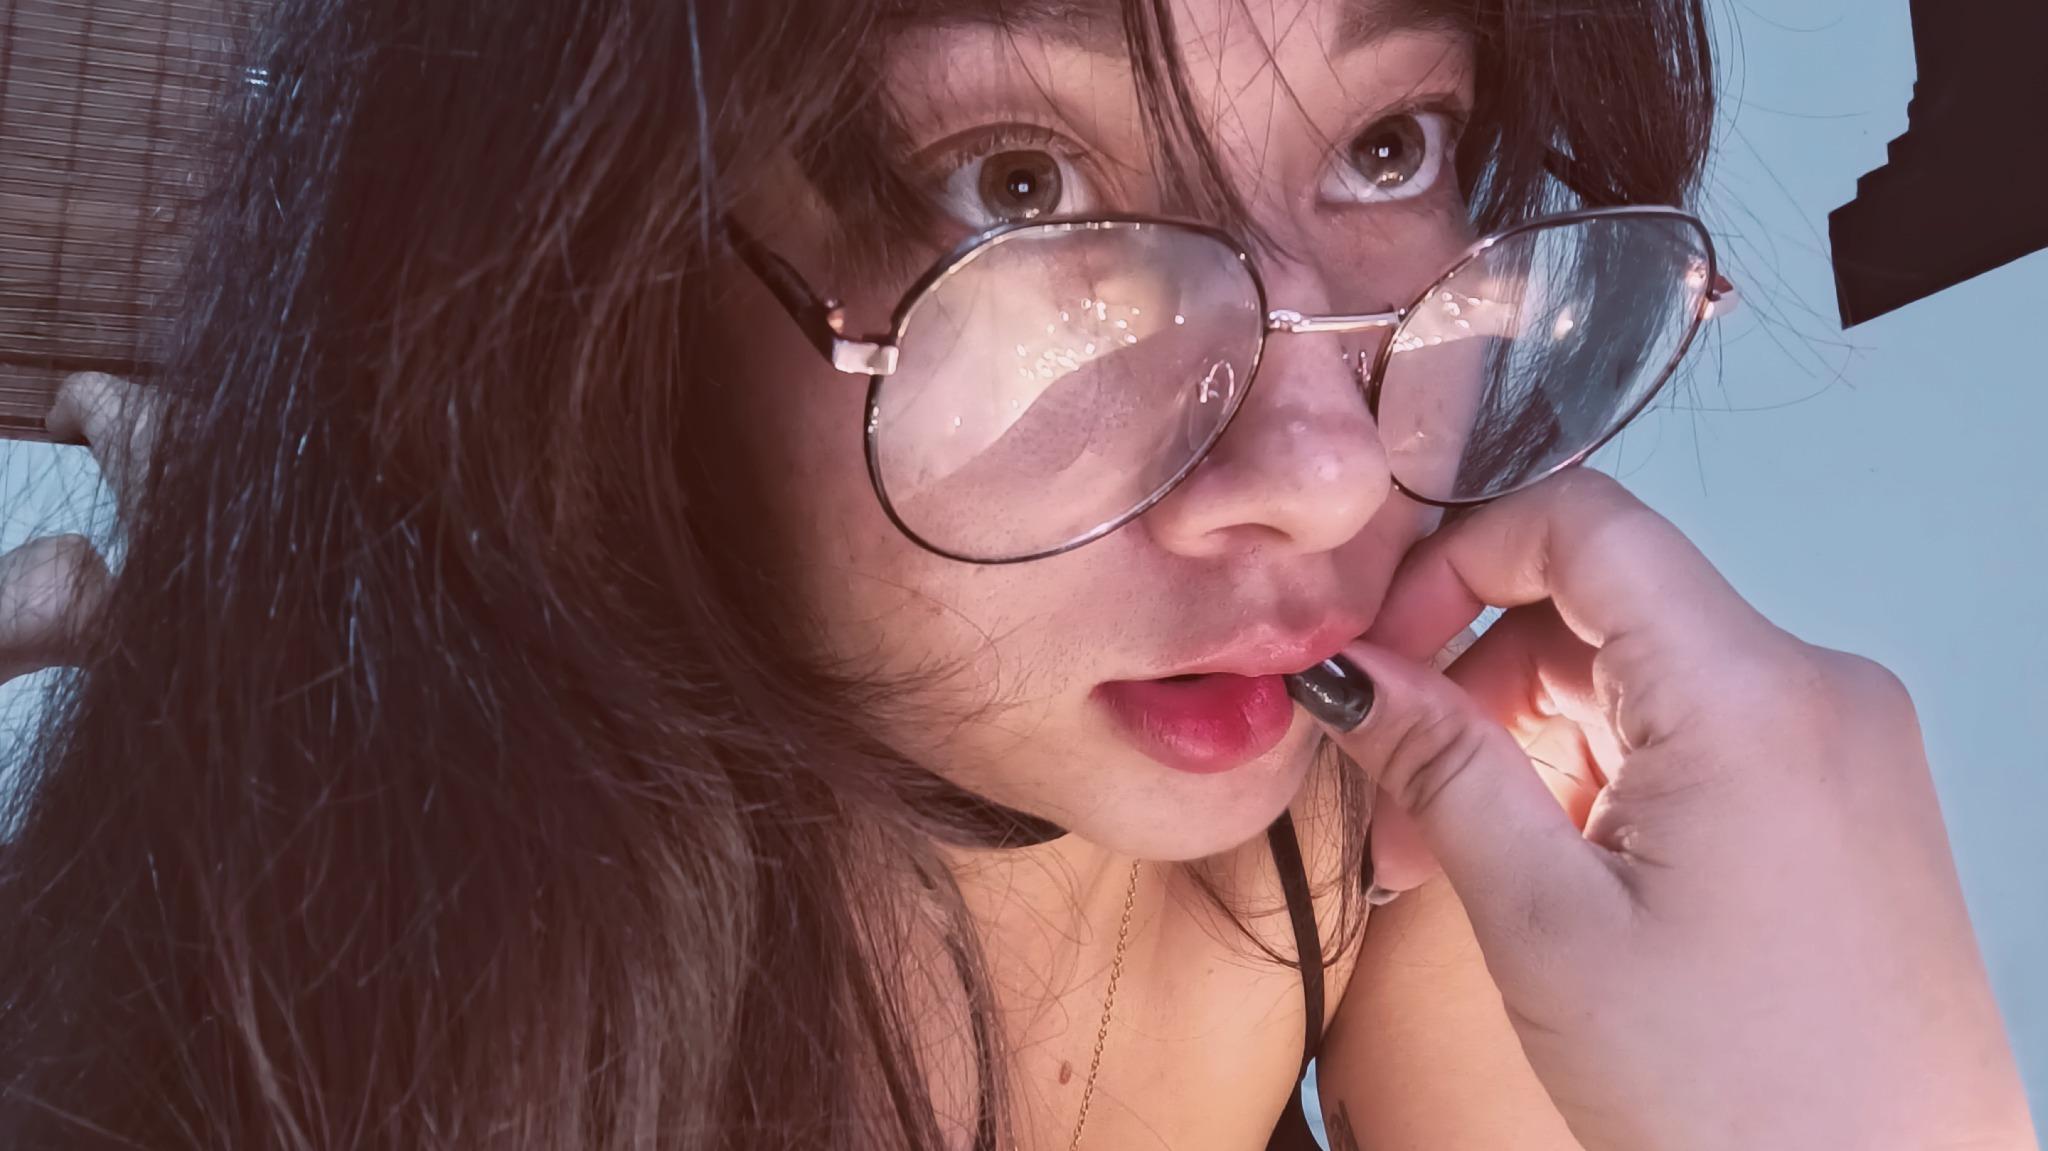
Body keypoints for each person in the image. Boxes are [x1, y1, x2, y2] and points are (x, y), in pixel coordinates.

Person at [0, 1, 2034, 1148]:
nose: (1315, 474)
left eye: (1391, 146)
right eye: (1018, 185)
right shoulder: (296, 991)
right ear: (596, 265)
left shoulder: (1411, 856)